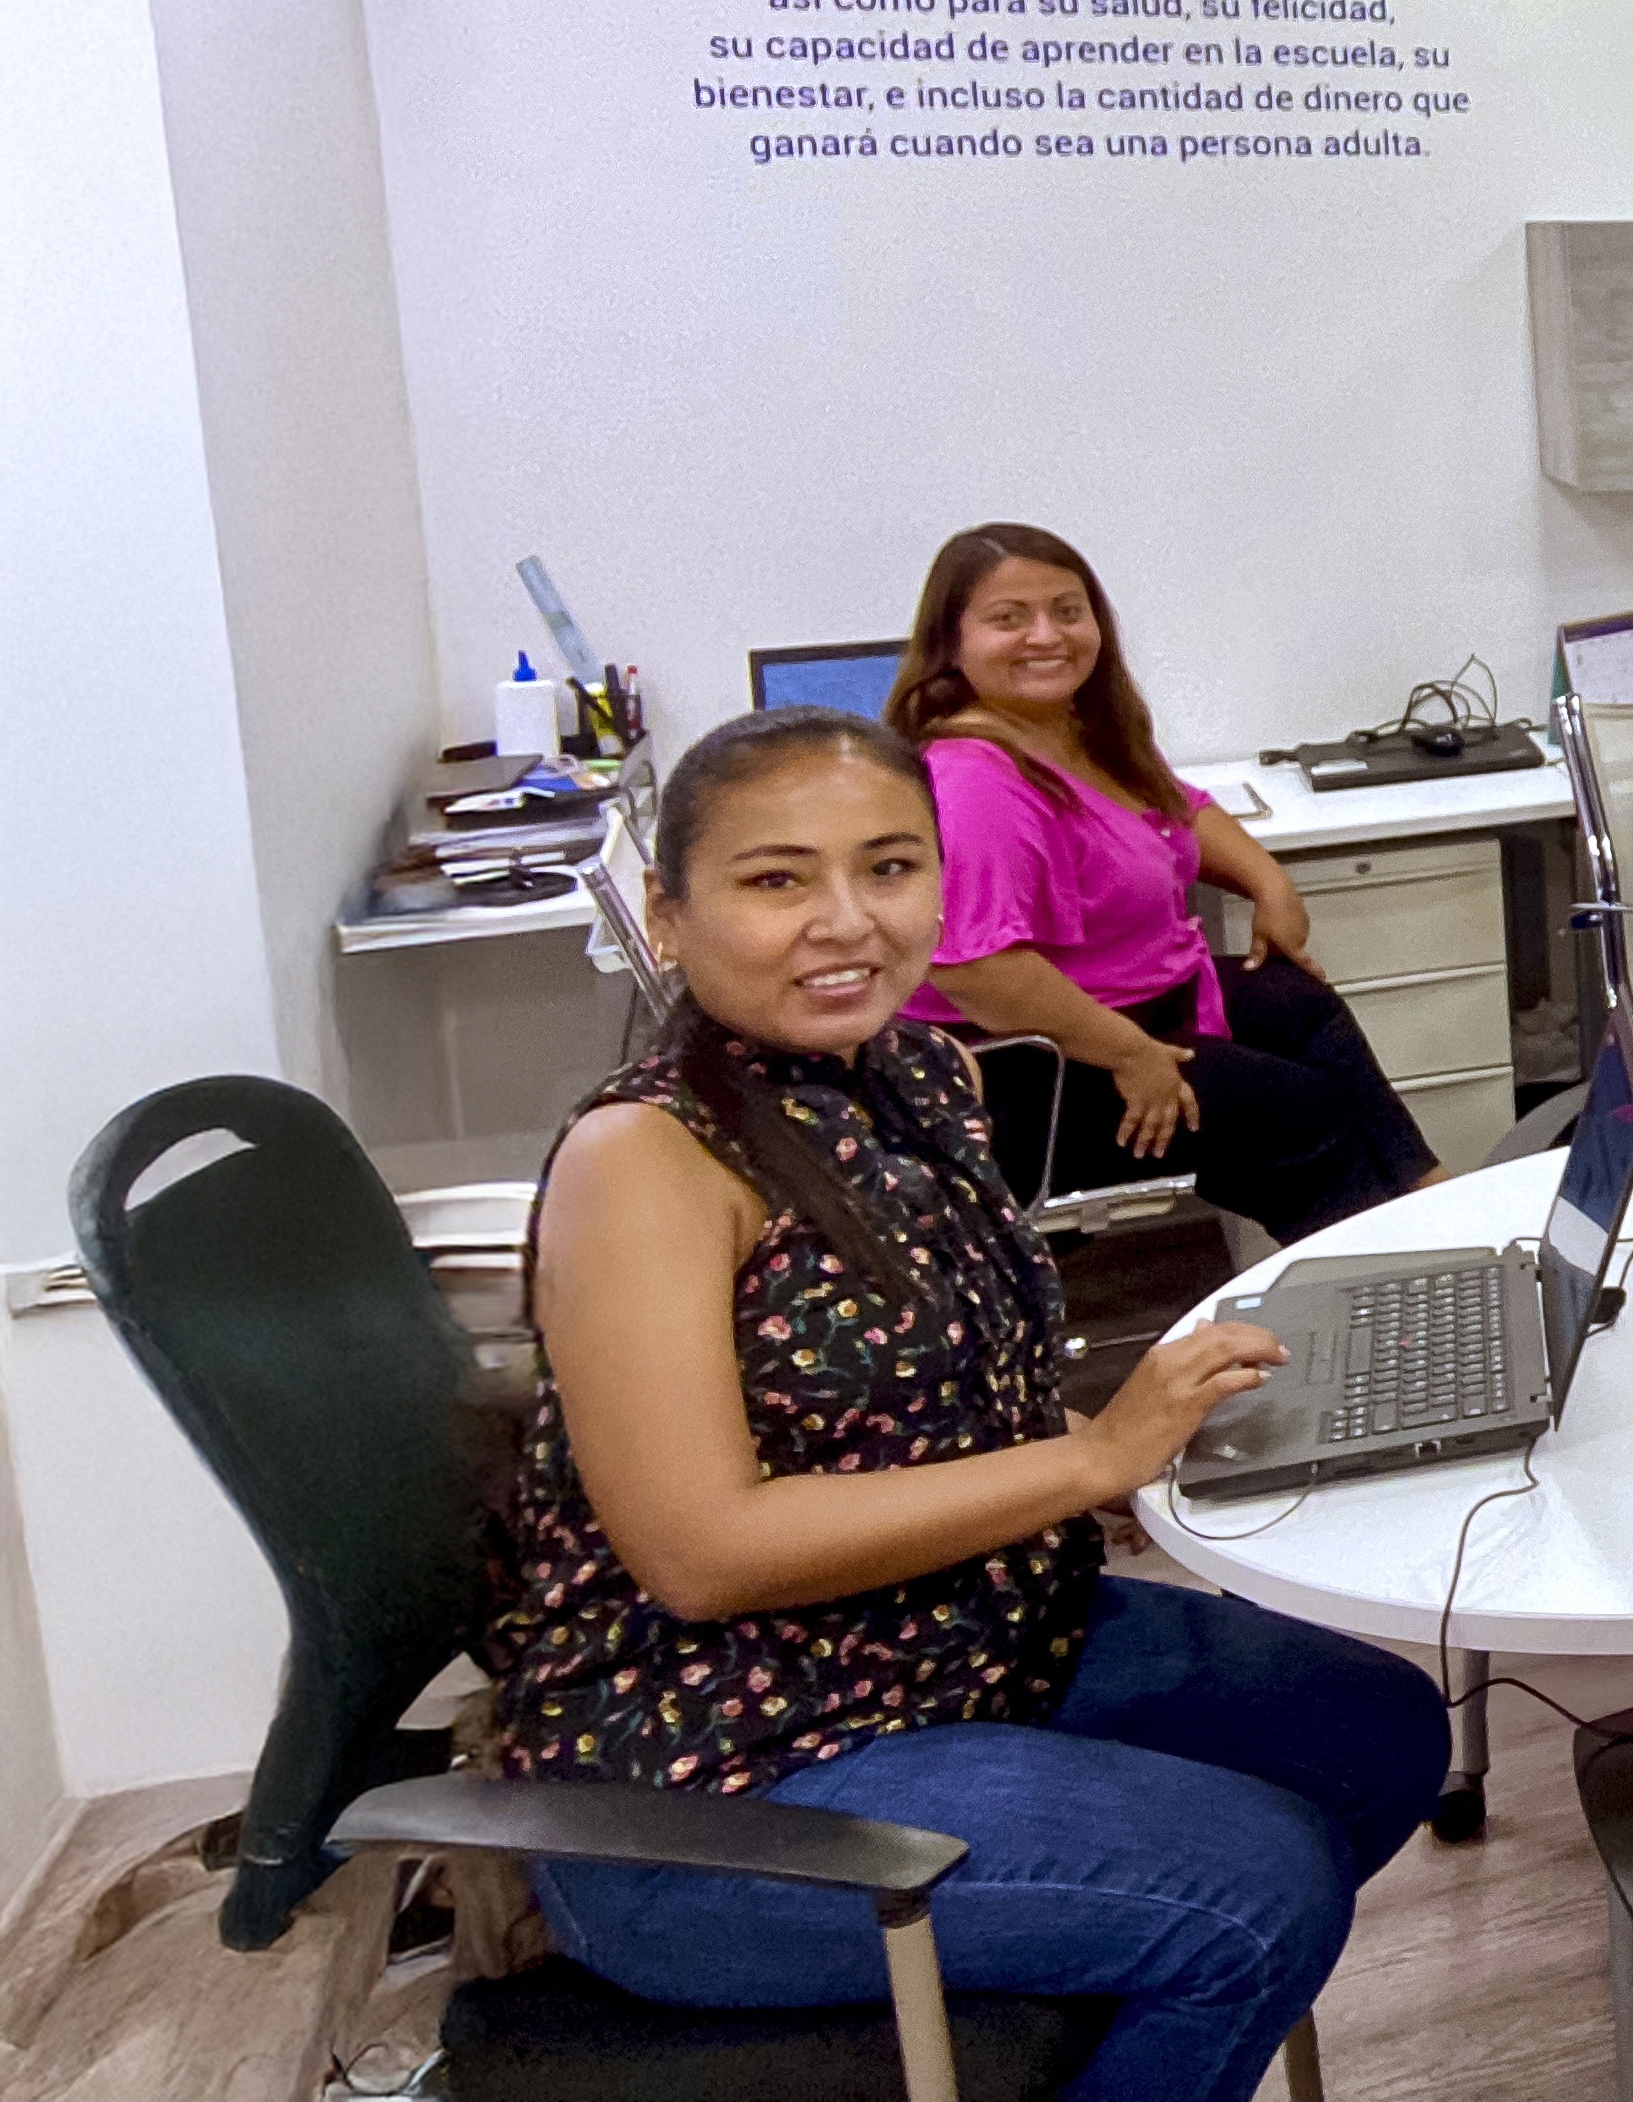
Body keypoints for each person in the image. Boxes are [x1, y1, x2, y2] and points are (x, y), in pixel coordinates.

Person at [485, 707, 1446, 2102]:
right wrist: (1091, 1457)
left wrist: (1154, 1450)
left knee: (1377, 1734)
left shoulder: (920, 1074)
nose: (845, 921)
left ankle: (1072, 1996)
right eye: (775, 879)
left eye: (890, 867)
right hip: (707, 1780)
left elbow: (947, 1405)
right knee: (1256, 1888)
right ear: (669, 915)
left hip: (960, 1641)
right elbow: (701, 1550)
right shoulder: (643, 1157)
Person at [886, 523, 1437, 1241]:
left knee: (1297, 1005)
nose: (1046, 635)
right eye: (1008, 618)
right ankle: (1386, 1285)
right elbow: (979, 970)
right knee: (1300, 1113)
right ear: (950, 644)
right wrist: (1129, 1052)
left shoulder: (1076, 730)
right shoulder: (974, 779)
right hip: (1034, 1069)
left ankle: (1428, 1202)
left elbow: (1176, 811)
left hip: (1136, 1009)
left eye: (1067, 609)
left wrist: (1268, 883)